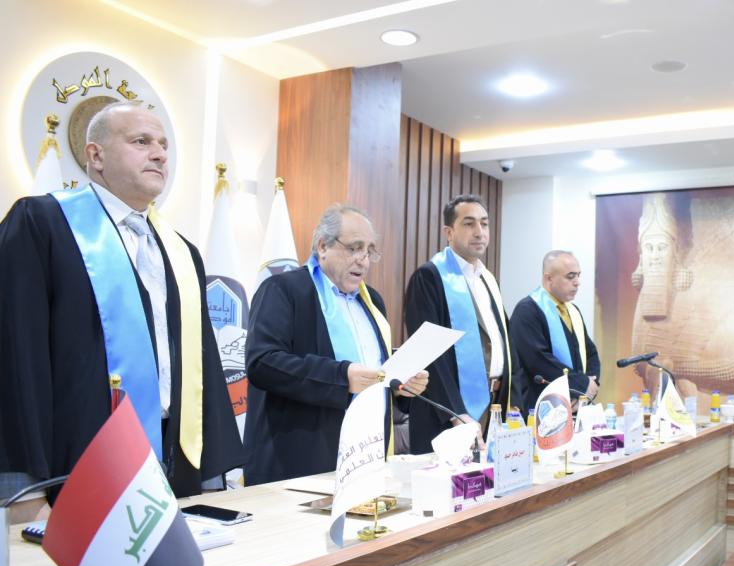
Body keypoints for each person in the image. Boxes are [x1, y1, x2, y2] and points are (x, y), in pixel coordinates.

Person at [0, 101, 245, 518]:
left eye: (163, 145)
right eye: (141, 141)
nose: (159, 154)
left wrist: (210, 476)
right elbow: (14, 358)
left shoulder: (182, 252)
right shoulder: (42, 224)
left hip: (174, 464)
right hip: (73, 462)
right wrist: (22, 490)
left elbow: (201, 368)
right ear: (96, 155)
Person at [244, 204, 427, 485]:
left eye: (369, 251)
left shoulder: (372, 301)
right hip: (300, 460)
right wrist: (341, 377)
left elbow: (375, 371)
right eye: (354, 248)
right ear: (322, 246)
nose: (363, 261)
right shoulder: (284, 289)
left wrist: (400, 385)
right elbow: (263, 363)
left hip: (367, 455)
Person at [405, 194, 523, 454]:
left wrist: (513, 400)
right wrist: (455, 412)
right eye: (469, 224)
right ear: (449, 232)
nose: (479, 232)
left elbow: (505, 343)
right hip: (447, 415)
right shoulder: (430, 277)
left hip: (494, 405)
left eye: (484, 223)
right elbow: (429, 355)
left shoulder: (487, 279)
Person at [510, 250, 600, 411]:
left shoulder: (573, 311)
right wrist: (581, 385)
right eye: (570, 276)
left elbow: (591, 353)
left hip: (576, 403)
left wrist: (591, 384)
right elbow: (539, 361)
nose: (577, 282)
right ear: (548, 278)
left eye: (578, 275)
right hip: (540, 406)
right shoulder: (527, 310)